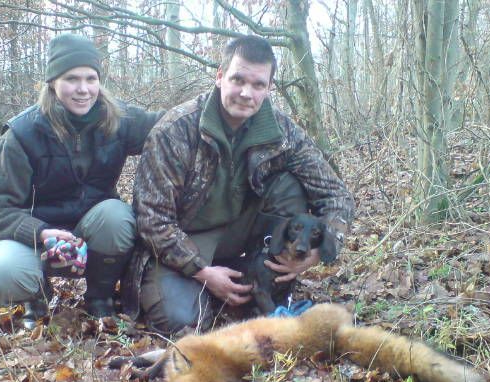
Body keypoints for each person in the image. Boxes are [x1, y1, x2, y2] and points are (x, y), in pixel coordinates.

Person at [123, 35, 355, 334]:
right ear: (219, 77)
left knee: (289, 185)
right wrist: (202, 272)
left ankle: (268, 280)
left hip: (246, 231)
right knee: (178, 320)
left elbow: (337, 196)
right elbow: (152, 219)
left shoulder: (282, 132)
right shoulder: (175, 130)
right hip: (188, 236)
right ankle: (214, 287)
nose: (247, 93)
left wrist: (318, 252)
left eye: (258, 85)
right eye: (238, 80)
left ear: (269, 87)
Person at [0, 34, 163, 327]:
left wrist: (227, 100)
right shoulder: (22, 134)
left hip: (95, 229)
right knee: (4, 271)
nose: (83, 89)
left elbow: (172, 124)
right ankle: (37, 296)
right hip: (37, 238)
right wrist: (43, 233)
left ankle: (100, 297)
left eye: (91, 78)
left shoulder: (120, 119)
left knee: (117, 216)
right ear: (52, 83)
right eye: (72, 79)